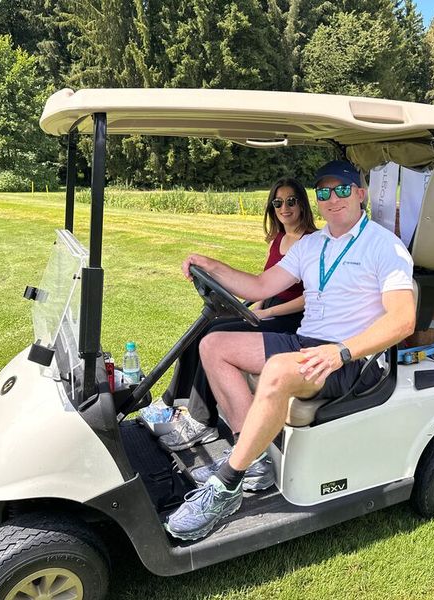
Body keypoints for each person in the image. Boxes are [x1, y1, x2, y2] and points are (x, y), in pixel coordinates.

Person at [165, 159, 416, 541]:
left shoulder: (384, 246)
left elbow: (403, 320)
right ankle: (253, 459)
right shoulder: (312, 245)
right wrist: (211, 265)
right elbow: (259, 286)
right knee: (214, 344)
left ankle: (226, 486)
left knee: (279, 370)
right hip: (307, 344)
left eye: (342, 189)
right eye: (324, 192)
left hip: (351, 361)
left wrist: (341, 352)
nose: (333, 199)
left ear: (360, 194)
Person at [158, 177, 317, 451]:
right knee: (204, 326)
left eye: (291, 201)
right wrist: (257, 307)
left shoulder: (312, 242)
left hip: (291, 317)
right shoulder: (278, 238)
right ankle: (175, 401)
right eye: (278, 203)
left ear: (302, 203)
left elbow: (307, 298)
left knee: (216, 334)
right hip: (270, 306)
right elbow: (266, 280)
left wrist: (268, 311)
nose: (284, 208)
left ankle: (202, 422)